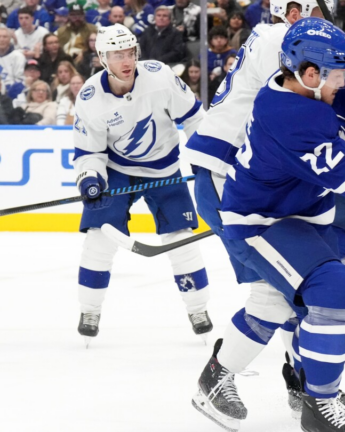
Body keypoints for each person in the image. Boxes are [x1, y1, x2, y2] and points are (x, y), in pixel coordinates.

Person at [189, 17, 345, 432]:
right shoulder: (293, 118)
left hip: (293, 216)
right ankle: (318, 402)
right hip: (260, 224)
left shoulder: (305, 88)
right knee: (334, 286)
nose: (344, 82)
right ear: (311, 73)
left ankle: (229, 381)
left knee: (279, 303)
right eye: (337, 73)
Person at [72, 24, 212, 346]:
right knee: (99, 238)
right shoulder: (90, 98)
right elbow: (89, 153)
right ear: (102, 58)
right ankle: (90, 310)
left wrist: (206, 161)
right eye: (117, 54)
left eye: (130, 52)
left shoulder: (159, 77)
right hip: (118, 170)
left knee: (181, 241)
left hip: (164, 168)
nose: (126, 61)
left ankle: (198, 309)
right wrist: (90, 177)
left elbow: (195, 118)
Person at [0, 25, 26, 99]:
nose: (1, 39)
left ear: (10, 39)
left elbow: (21, 81)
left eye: (5, 37)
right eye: (0, 36)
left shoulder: (18, 56)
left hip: (12, 96)